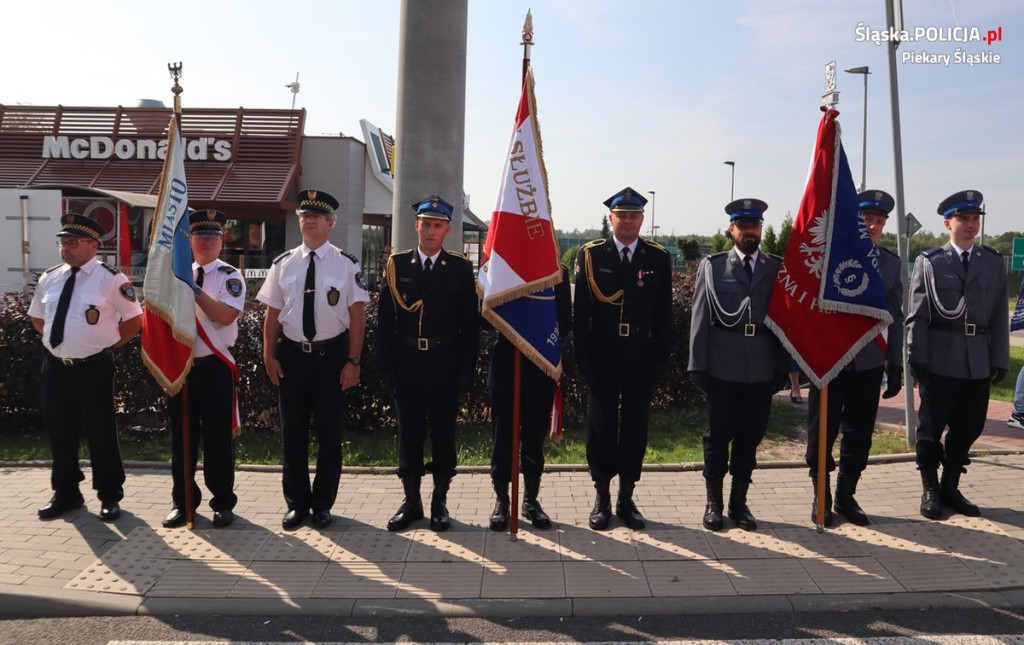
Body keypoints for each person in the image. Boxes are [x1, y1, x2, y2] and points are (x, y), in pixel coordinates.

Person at [256, 189, 369, 530]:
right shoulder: (283, 263)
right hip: (292, 357)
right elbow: (272, 315)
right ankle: (296, 503)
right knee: (292, 433)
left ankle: (322, 505)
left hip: (331, 357)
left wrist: (353, 361)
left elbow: (358, 315)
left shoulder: (346, 265)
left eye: (317, 217)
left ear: (330, 223)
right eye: (305, 216)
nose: (309, 221)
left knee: (329, 434)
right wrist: (268, 355)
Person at [29, 213, 143, 521]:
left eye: (73, 242)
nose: (66, 248)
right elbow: (38, 317)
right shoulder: (50, 276)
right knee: (60, 431)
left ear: (93, 245)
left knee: (100, 431)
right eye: (63, 242)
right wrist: (59, 342)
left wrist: (109, 345)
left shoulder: (110, 278)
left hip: (93, 367)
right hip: (55, 367)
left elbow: (134, 319)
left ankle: (109, 496)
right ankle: (66, 494)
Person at [377, 194, 479, 532]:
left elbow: (469, 324)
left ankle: (439, 500)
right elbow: (385, 321)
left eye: (438, 225)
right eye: (426, 224)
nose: (431, 231)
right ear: (416, 226)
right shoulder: (397, 265)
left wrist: (466, 370)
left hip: (444, 362)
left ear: (447, 230)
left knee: (443, 435)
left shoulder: (461, 268)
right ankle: (411, 501)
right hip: (406, 362)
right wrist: (386, 368)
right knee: (409, 435)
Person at [803, 190, 905, 527]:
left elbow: (896, 317)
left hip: (869, 362)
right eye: (867, 219)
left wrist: (895, 365)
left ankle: (846, 495)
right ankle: (823, 494)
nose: (873, 226)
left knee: (860, 433)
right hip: (830, 361)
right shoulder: (829, 255)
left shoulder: (890, 263)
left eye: (879, 221)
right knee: (822, 432)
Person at [574, 187, 672, 531]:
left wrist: (661, 360)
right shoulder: (591, 255)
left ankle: (626, 497)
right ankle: (601, 496)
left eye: (634, 215)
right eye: (622, 215)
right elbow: (581, 312)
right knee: (600, 426)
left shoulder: (657, 257)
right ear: (610, 219)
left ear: (642, 220)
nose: (628, 221)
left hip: (639, 355)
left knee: (635, 426)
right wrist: (582, 357)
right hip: (602, 354)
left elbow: (664, 314)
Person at [907, 189, 1009, 520]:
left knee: (970, 427)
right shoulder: (931, 262)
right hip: (940, 359)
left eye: (975, 218)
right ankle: (931, 488)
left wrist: (1000, 359)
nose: (970, 224)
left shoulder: (992, 262)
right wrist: (916, 356)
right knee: (930, 428)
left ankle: (951, 485)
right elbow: (917, 316)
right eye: (963, 218)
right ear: (947, 223)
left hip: (977, 360)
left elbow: (997, 318)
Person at [688, 198, 789, 532]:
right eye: (743, 226)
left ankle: (739, 503)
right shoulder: (714, 266)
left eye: (755, 225)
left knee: (750, 438)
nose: (750, 232)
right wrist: (697, 364)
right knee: (716, 438)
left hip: (761, 365)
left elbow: (786, 320)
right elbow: (700, 317)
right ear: (731, 230)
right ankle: (714, 503)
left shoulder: (776, 267)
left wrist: (783, 368)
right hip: (722, 363)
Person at [162, 210, 244, 529]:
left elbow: (224, 316)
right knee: (181, 440)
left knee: (217, 439)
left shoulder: (228, 276)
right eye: (200, 236)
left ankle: (222, 502)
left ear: (222, 241)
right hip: (181, 368)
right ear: (190, 241)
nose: (206, 241)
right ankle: (182, 502)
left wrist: (193, 290)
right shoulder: (174, 275)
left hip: (214, 367)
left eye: (213, 236)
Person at [486, 265, 571, 531]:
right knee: (503, 441)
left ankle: (531, 501)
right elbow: (482, 315)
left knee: (534, 441)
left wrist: (535, 335)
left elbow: (565, 321)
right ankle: (502, 502)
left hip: (539, 366)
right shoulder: (499, 267)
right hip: (506, 367)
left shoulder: (556, 271)